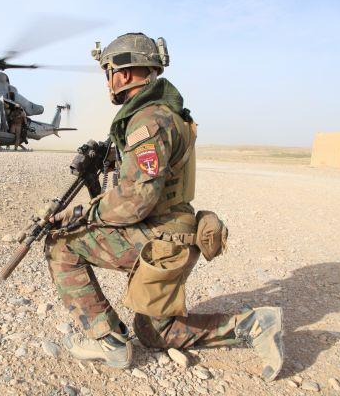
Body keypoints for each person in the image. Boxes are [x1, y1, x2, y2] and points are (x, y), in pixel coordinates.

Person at [44, 33, 284, 381]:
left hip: (159, 238)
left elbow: (135, 202)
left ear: (124, 74)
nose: (108, 81)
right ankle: (253, 324)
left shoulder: (149, 122)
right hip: (168, 234)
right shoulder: (162, 114)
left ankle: (106, 341)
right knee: (155, 333)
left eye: (109, 71)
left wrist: (83, 214)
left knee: (61, 244)